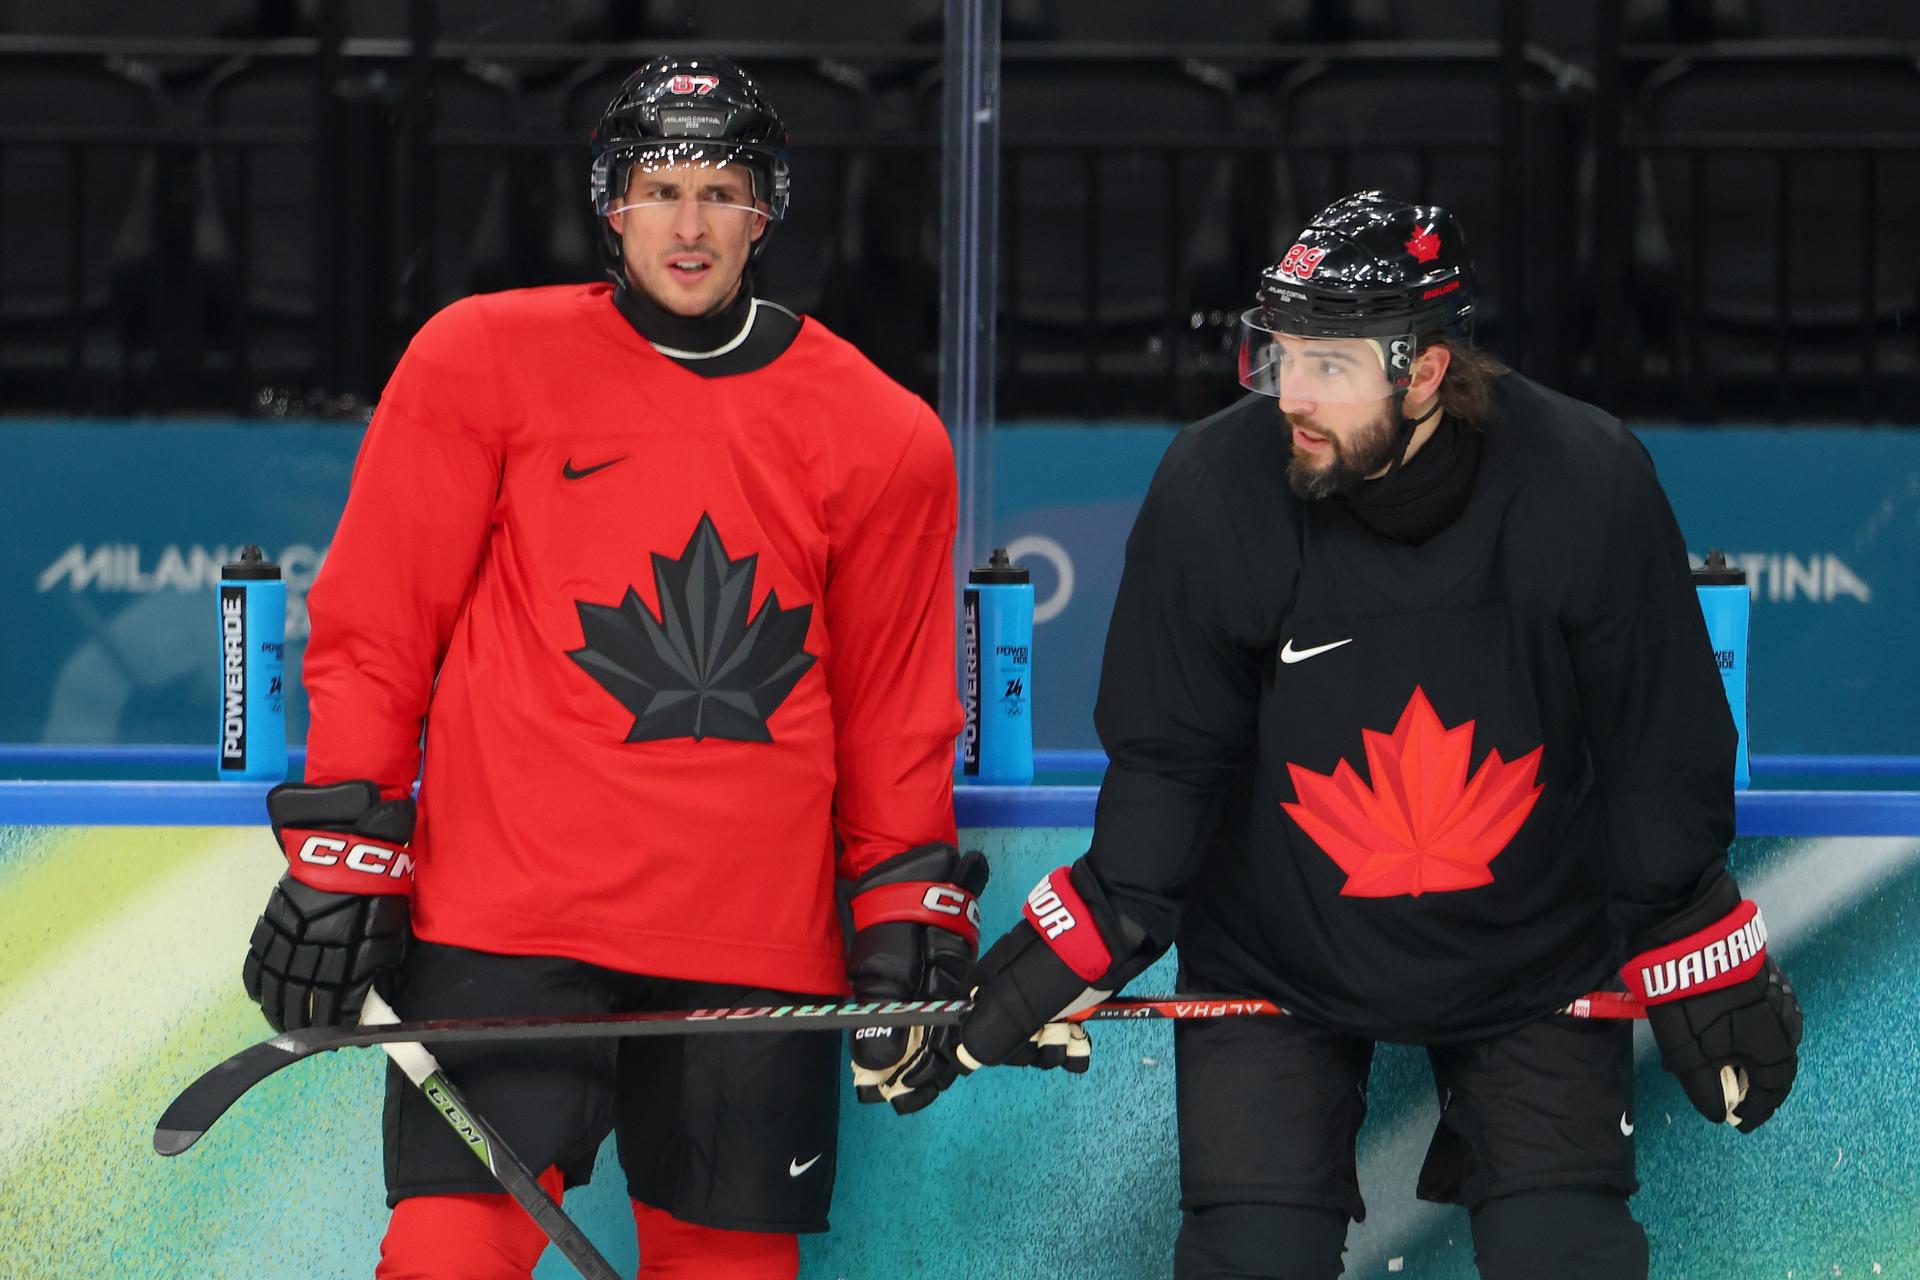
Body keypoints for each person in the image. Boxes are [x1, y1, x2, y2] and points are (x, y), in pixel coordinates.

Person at [929, 191, 1803, 1278]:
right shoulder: (1214, 489)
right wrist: (1064, 948)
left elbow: (1656, 751)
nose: (1289, 391)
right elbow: (1169, 763)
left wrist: (1702, 946)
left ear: (1427, 371)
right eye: (1279, 352)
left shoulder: (1588, 481)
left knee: (1565, 1255)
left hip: (1535, 949)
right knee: (1248, 1256)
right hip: (1274, 948)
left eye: (1329, 364)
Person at [238, 55, 982, 1280]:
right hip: (508, 916)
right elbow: (380, 625)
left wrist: (905, 904)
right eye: (661, 187)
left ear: (768, 209)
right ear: (611, 202)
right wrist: (343, 848)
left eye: (724, 191)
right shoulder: (477, 360)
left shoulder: (884, 432)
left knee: (729, 1265)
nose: (690, 226)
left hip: (751, 933)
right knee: (446, 1254)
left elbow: (896, 707)